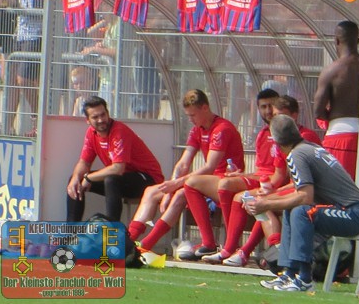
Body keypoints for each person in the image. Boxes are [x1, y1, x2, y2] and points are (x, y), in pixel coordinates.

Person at [247, 114, 359, 292]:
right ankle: (289, 274)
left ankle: (305, 277)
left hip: (355, 214)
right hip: (351, 211)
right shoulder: (308, 147)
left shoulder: (296, 155)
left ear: (276, 141)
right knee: (294, 210)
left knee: (302, 212)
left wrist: (266, 205)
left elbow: (305, 197)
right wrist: (265, 200)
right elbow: (300, 196)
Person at [202, 94, 322, 266]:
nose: (275, 117)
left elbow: (301, 181)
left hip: (305, 190)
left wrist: (271, 191)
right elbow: (278, 173)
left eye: (281, 114)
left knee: (255, 200)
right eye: (273, 113)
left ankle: (265, 252)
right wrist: (268, 188)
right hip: (284, 185)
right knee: (243, 197)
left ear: (294, 115)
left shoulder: (305, 137)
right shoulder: (277, 136)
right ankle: (233, 249)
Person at [127, 89, 244, 251]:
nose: (190, 119)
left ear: (205, 108)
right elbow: (183, 163)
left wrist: (176, 185)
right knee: (151, 191)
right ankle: (129, 239)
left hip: (224, 182)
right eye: (188, 115)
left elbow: (210, 166)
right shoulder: (197, 129)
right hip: (203, 183)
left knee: (183, 191)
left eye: (193, 115)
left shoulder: (222, 129)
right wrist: (169, 189)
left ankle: (146, 245)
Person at [183, 89, 281, 259]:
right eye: (263, 107)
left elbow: (280, 176)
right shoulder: (263, 134)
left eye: (271, 106)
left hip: (282, 187)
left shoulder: (295, 136)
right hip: (262, 182)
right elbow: (262, 171)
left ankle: (249, 251)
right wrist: (245, 175)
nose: (268, 111)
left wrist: (263, 186)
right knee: (185, 188)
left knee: (245, 195)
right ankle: (231, 250)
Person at [66, 96, 165, 222]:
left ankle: (112, 231)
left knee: (111, 179)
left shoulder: (119, 131)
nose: (101, 120)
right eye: (95, 117)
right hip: (124, 179)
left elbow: (118, 169)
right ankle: (70, 234)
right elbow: (84, 162)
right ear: (88, 120)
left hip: (149, 180)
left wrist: (88, 178)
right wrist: (76, 178)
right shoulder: (91, 133)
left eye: (103, 115)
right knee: (75, 181)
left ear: (108, 113)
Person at [314, 20, 359, 181]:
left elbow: (318, 110)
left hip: (338, 135)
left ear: (336, 41)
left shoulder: (330, 71)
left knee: (335, 189)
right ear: (358, 40)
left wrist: (331, 117)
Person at [0, 0, 42, 136]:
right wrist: (5, 1)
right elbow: (17, 5)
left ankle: (38, 118)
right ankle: (21, 121)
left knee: (24, 79)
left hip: (35, 35)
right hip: (21, 34)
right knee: (17, 79)